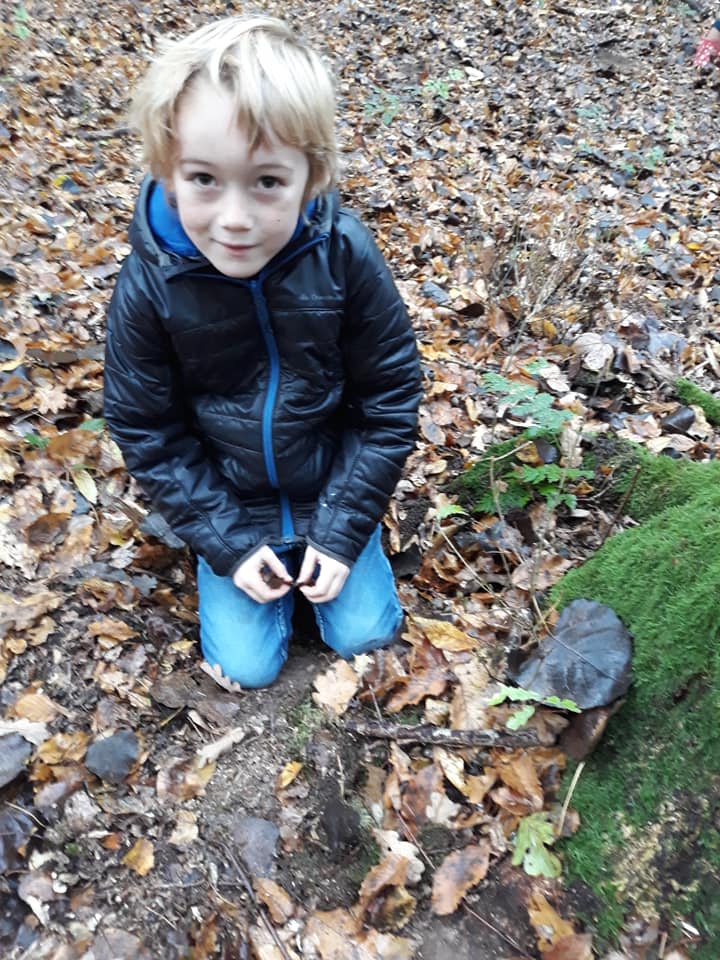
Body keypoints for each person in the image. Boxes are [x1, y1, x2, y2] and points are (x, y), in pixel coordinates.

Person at [104, 15, 422, 688]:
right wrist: (228, 544)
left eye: (268, 182)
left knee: (366, 637)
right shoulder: (150, 284)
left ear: (312, 176)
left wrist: (342, 529)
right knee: (244, 669)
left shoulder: (345, 256)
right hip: (229, 502)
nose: (235, 218)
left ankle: (346, 552)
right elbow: (146, 429)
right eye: (204, 178)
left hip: (331, 490)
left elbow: (388, 402)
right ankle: (244, 567)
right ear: (167, 170)